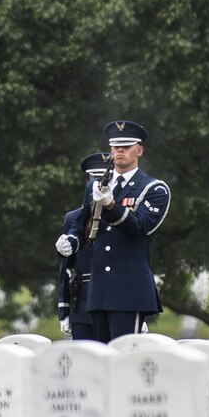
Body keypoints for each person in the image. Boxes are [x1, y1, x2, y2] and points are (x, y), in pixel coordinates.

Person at [83, 120, 171, 340]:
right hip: (99, 289)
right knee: (99, 363)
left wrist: (112, 206)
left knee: (123, 359)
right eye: (115, 147)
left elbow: (140, 227)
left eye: (126, 146)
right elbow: (83, 224)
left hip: (129, 290)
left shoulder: (154, 188)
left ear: (139, 150)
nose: (119, 151)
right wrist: (71, 240)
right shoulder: (95, 186)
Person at [54, 151, 112, 340]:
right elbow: (66, 266)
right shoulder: (73, 218)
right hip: (83, 301)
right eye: (94, 178)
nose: (99, 183)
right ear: (87, 180)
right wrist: (64, 309)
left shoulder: (122, 216)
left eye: (104, 178)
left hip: (115, 299)